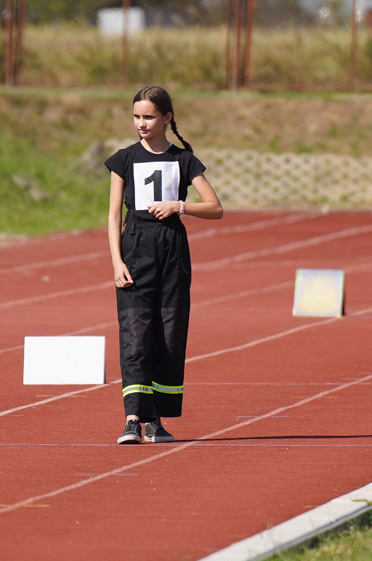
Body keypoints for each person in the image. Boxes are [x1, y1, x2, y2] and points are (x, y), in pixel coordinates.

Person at [105, 86, 223, 445]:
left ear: (167, 118)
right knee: (135, 333)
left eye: (149, 117)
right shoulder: (124, 159)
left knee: (168, 333)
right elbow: (112, 216)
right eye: (137, 117)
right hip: (135, 248)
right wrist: (116, 261)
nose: (142, 123)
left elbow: (215, 207)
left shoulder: (184, 160)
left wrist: (178, 206)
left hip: (172, 249)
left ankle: (156, 420)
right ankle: (132, 419)